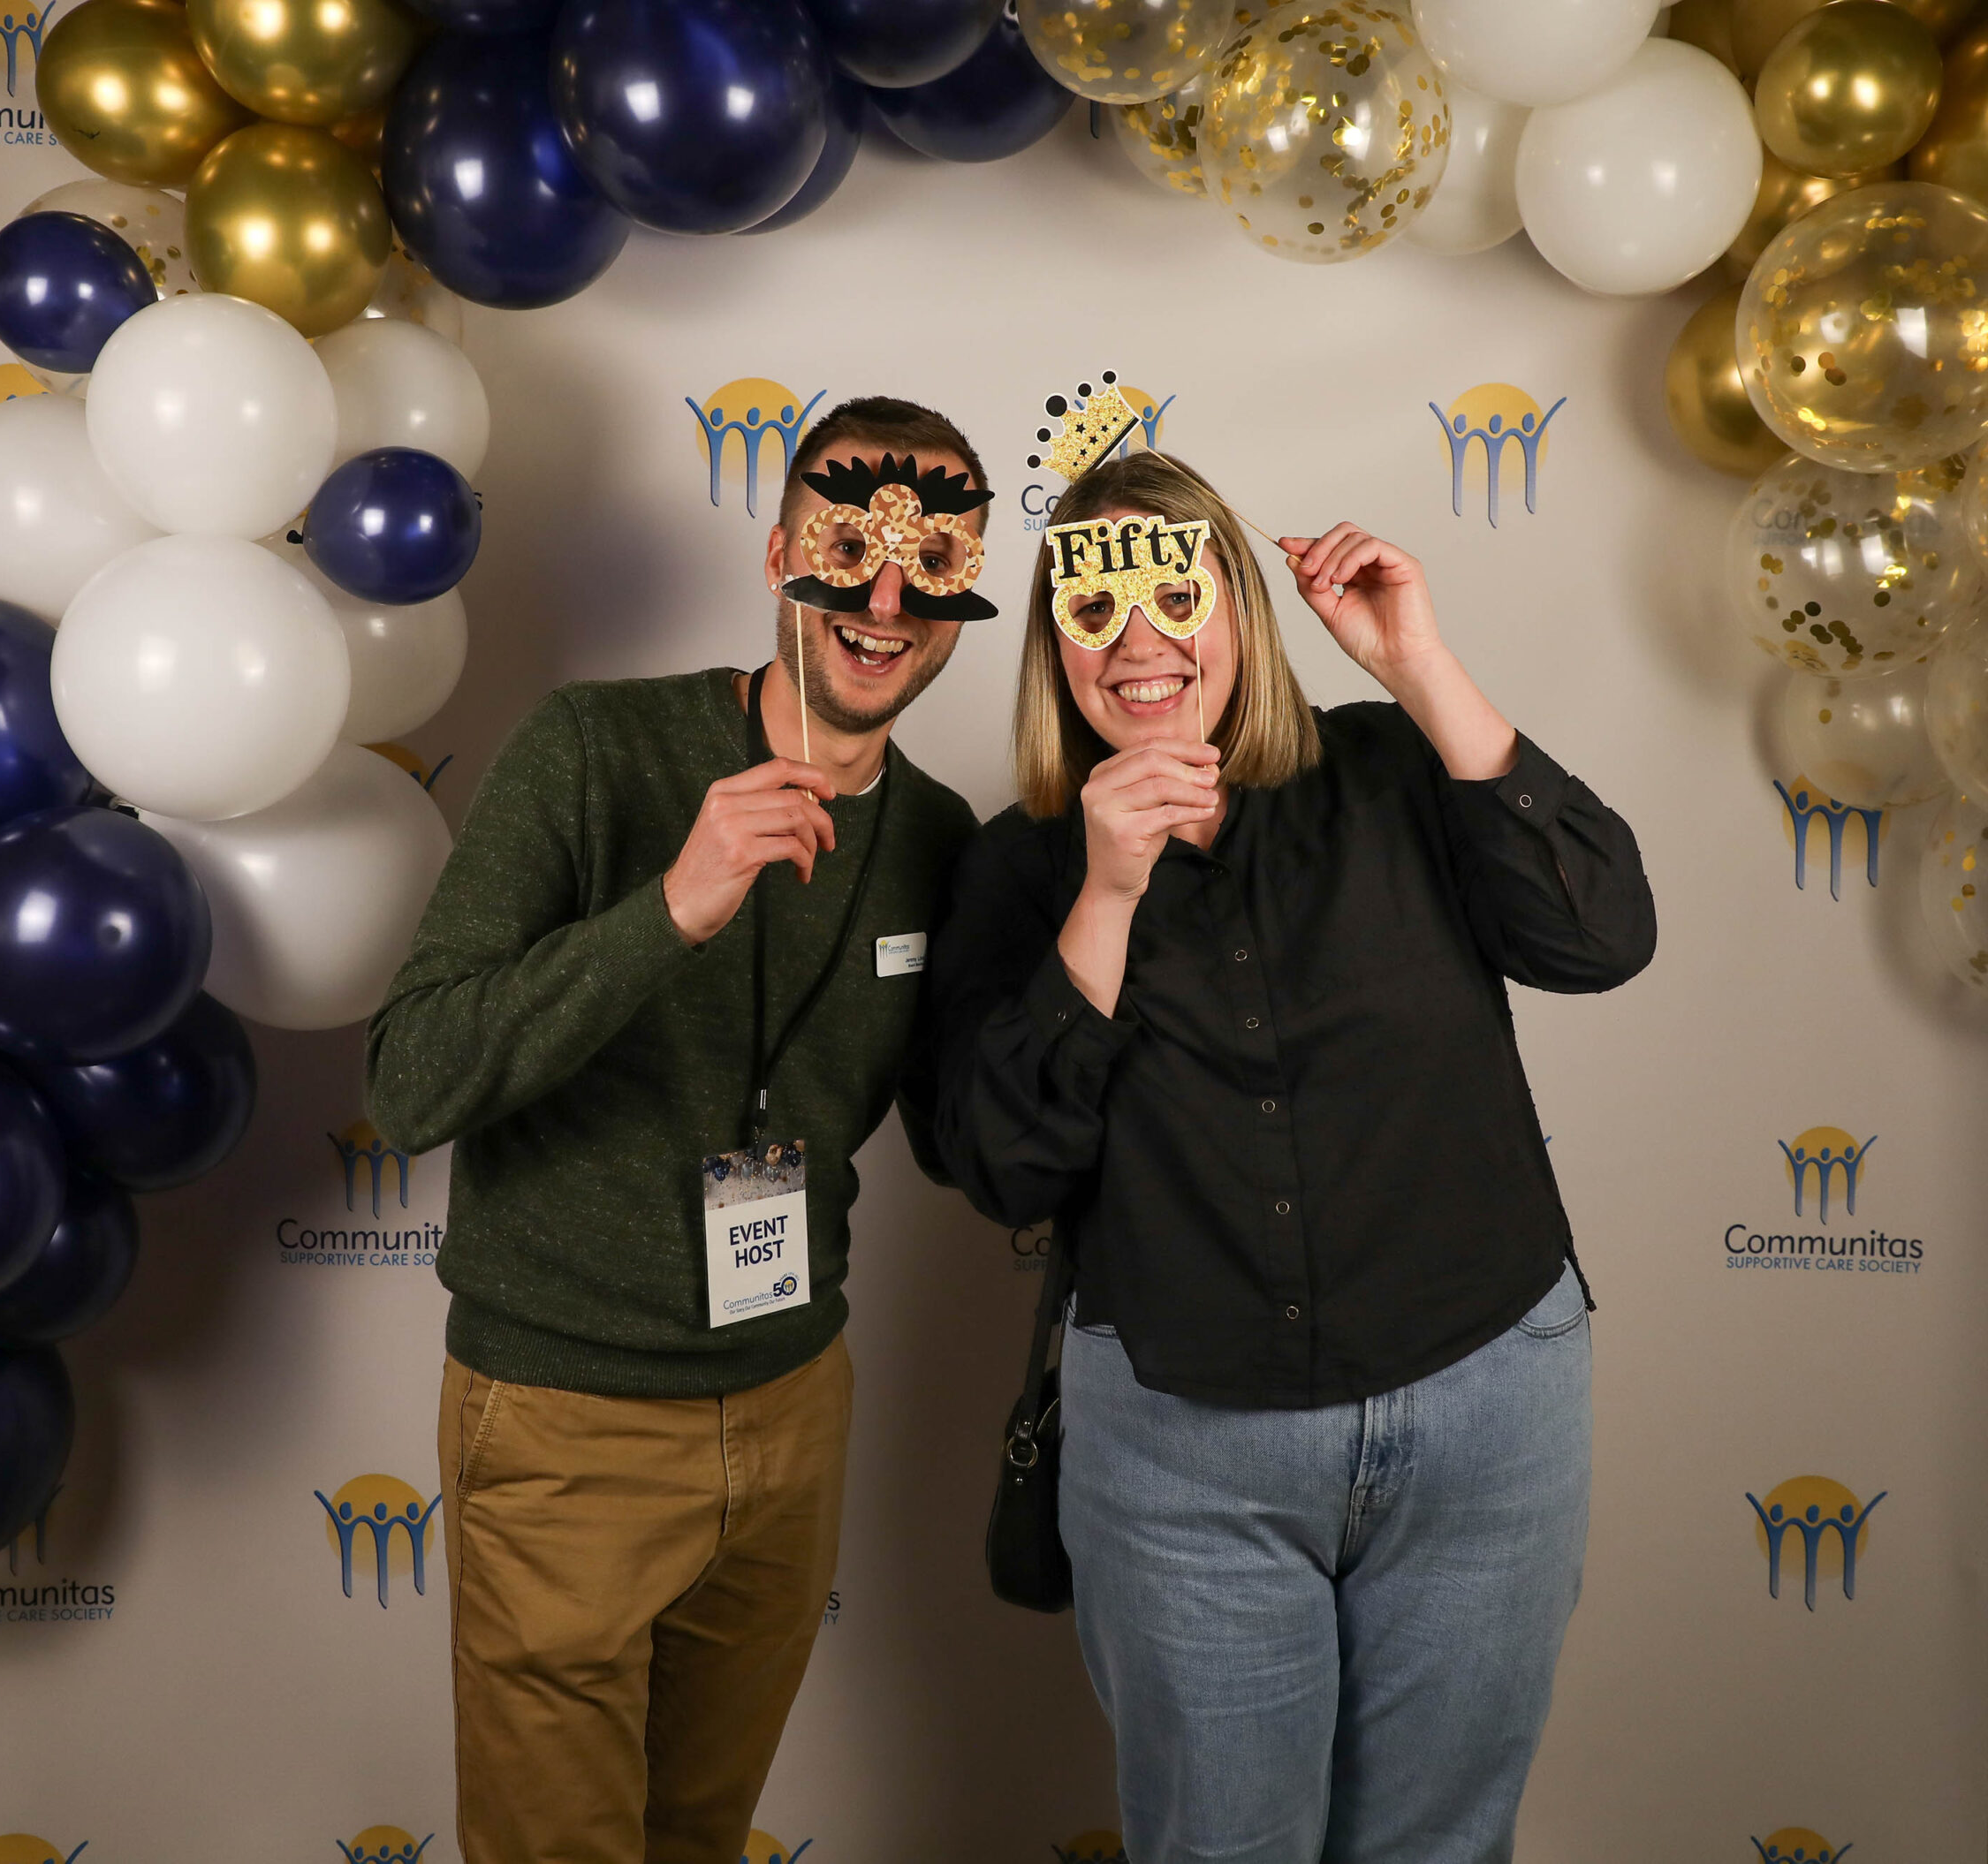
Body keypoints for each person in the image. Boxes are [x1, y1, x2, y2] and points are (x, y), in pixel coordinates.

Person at [930, 450, 1655, 1864]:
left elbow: (1603, 934)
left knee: (1440, 1846)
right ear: (1053, 646)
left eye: (1174, 593)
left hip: (1482, 1401)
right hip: (1186, 1448)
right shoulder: (1017, 868)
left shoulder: (1390, 767)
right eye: (1095, 611)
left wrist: (1419, 662)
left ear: (1241, 610)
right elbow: (1002, 1165)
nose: (1141, 642)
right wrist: (1107, 895)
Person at [365, 396, 990, 1864]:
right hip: (566, 1424)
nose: (882, 603)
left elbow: (970, 1139)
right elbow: (409, 1078)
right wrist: (671, 912)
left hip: (790, 1409)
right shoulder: (595, 750)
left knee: (697, 1838)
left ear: (964, 595)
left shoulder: (940, 838)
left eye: (929, 566)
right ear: (782, 556)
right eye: (848, 551)